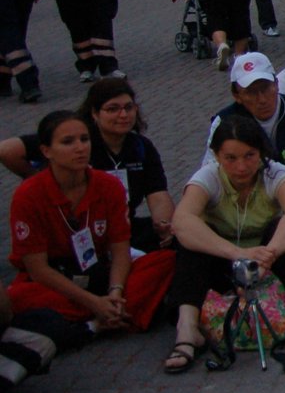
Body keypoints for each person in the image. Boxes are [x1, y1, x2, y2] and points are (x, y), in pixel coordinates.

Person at [163, 116, 285, 373]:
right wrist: (238, 254)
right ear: (217, 155)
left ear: (261, 152)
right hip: (223, 259)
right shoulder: (208, 177)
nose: (241, 166)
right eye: (231, 158)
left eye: (249, 156)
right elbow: (182, 221)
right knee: (191, 244)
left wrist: (268, 255)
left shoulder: (276, 173)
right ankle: (187, 329)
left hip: (265, 262)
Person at [6, 109, 174, 333]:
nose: (80, 148)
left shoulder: (108, 185)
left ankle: (100, 316)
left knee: (167, 260)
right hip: (57, 279)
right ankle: (102, 320)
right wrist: (93, 303)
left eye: (84, 139)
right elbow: (38, 270)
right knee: (17, 297)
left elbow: (120, 249)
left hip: (99, 272)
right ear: (47, 151)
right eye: (68, 142)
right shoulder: (28, 195)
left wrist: (115, 292)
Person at [3, 78, 179, 252]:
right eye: (113, 109)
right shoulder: (78, 141)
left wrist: (163, 224)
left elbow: (157, 194)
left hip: (123, 225)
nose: (123, 115)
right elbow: (7, 150)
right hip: (79, 230)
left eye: (128, 107)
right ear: (94, 113)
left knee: (182, 236)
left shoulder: (141, 146)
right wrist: (40, 180)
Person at [201, 53, 285, 209]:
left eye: (266, 88)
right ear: (237, 95)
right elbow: (209, 172)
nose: (262, 99)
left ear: (277, 84)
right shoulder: (223, 121)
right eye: (251, 92)